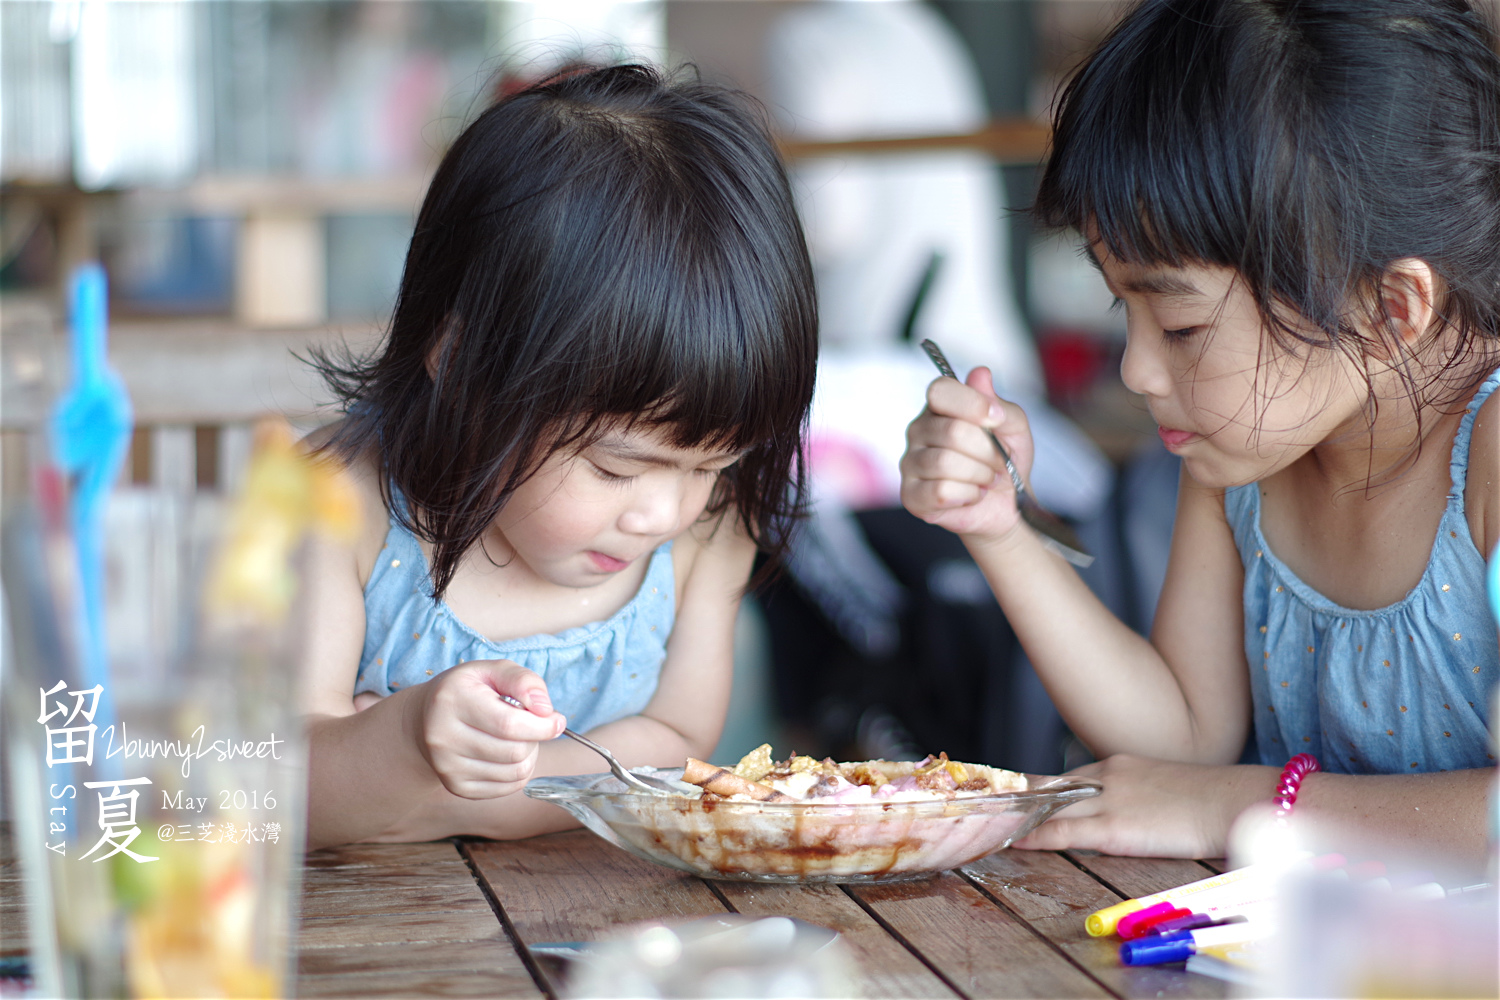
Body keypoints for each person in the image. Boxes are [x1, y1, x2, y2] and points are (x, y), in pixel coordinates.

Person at [900, 0, 1500, 862]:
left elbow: (1201, 788)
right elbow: (1182, 740)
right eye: (1122, 306)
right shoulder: (1243, 458)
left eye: (1180, 328)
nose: (1136, 371)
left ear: (1391, 308)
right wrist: (997, 526)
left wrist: (1245, 808)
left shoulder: (1488, 454)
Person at [297, 65, 817, 848]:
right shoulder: (338, 505)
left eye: (712, 465)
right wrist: (405, 739)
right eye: (617, 467)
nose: (666, 513)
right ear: (463, 362)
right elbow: (272, 781)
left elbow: (677, 741)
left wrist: (441, 797)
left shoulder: (711, 527)